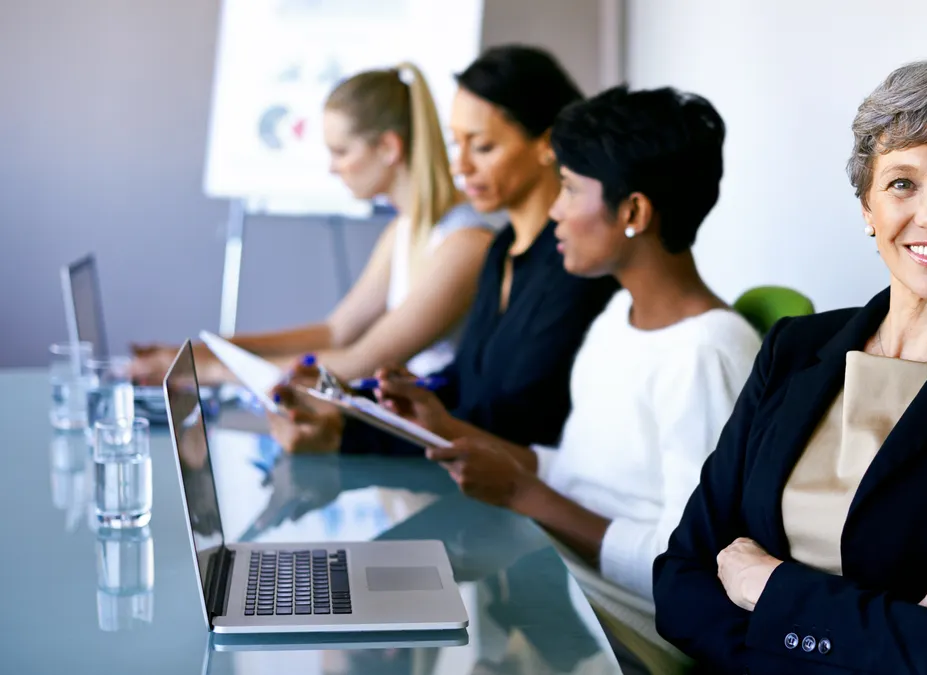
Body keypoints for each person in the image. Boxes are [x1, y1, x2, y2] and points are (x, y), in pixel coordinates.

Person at [652, 60, 927, 675]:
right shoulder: (793, 349)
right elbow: (680, 583)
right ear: (867, 205)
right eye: (901, 184)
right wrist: (891, 634)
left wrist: (770, 590)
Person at [365, 86, 761, 675]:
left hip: (624, 628)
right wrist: (446, 426)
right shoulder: (616, 317)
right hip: (554, 578)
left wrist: (523, 493)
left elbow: (689, 565)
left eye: (571, 189)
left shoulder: (706, 352)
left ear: (633, 213)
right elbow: (579, 477)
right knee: (374, 583)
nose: (553, 209)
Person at [270, 45, 619, 453]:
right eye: (458, 145)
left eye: (483, 147)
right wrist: (353, 410)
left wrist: (349, 432)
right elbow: (462, 389)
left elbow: (513, 425)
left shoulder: (575, 267)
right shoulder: (502, 249)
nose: (461, 165)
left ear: (546, 144)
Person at [132, 62, 499, 384]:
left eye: (341, 151)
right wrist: (203, 352)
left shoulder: (463, 242)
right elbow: (335, 332)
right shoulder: (404, 230)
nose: (331, 167)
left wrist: (206, 371)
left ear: (389, 147)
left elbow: (361, 361)